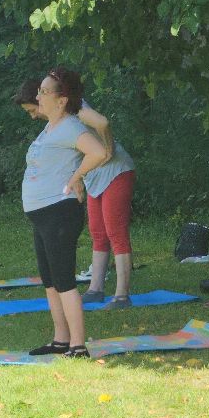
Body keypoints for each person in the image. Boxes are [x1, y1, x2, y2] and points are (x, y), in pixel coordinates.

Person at [14, 69, 108, 357]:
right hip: (42, 214)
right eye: (39, 91)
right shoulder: (50, 128)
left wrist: (76, 176)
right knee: (50, 280)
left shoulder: (70, 127)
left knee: (64, 280)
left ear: (62, 99)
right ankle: (60, 339)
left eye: (44, 91)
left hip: (59, 213)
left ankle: (78, 345)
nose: (38, 96)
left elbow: (99, 152)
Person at [76, 102, 137, 306]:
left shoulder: (77, 108)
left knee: (116, 232)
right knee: (98, 233)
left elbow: (102, 123)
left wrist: (109, 149)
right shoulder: (57, 117)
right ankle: (96, 289)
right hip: (94, 177)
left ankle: (122, 295)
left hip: (116, 172)